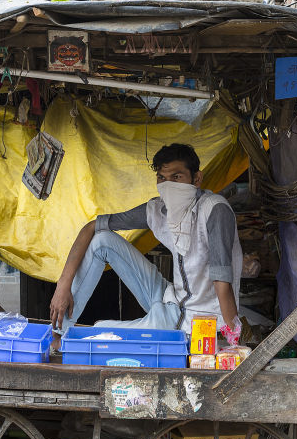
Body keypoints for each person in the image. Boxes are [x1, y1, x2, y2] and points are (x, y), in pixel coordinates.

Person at [50, 143, 243, 343]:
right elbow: (91, 227)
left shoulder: (214, 210)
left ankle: (72, 340)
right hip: (170, 297)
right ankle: (59, 329)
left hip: (193, 321)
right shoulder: (158, 209)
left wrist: (233, 341)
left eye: (176, 177)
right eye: (162, 178)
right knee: (102, 240)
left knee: (100, 334)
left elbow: (222, 282)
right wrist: (62, 287)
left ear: (197, 179)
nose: (168, 186)